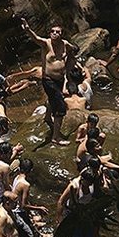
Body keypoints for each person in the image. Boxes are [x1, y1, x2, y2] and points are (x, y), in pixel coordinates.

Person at [21, 18, 78, 147]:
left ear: (61, 34)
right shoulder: (46, 44)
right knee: (60, 107)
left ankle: (47, 117)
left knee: (52, 99)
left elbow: (73, 50)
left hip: (60, 79)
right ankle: (56, 137)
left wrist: (71, 63)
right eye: (52, 31)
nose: (54, 33)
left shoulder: (65, 44)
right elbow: (35, 38)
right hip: (48, 80)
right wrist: (27, 29)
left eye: (57, 32)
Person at [55, 167, 106, 237]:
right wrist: (59, 220)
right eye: (86, 183)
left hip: (86, 215)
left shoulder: (92, 183)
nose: (88, 185)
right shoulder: (74, 187)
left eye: (90, 183)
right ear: (82, 180)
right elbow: (61, 202)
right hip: (73, 215)